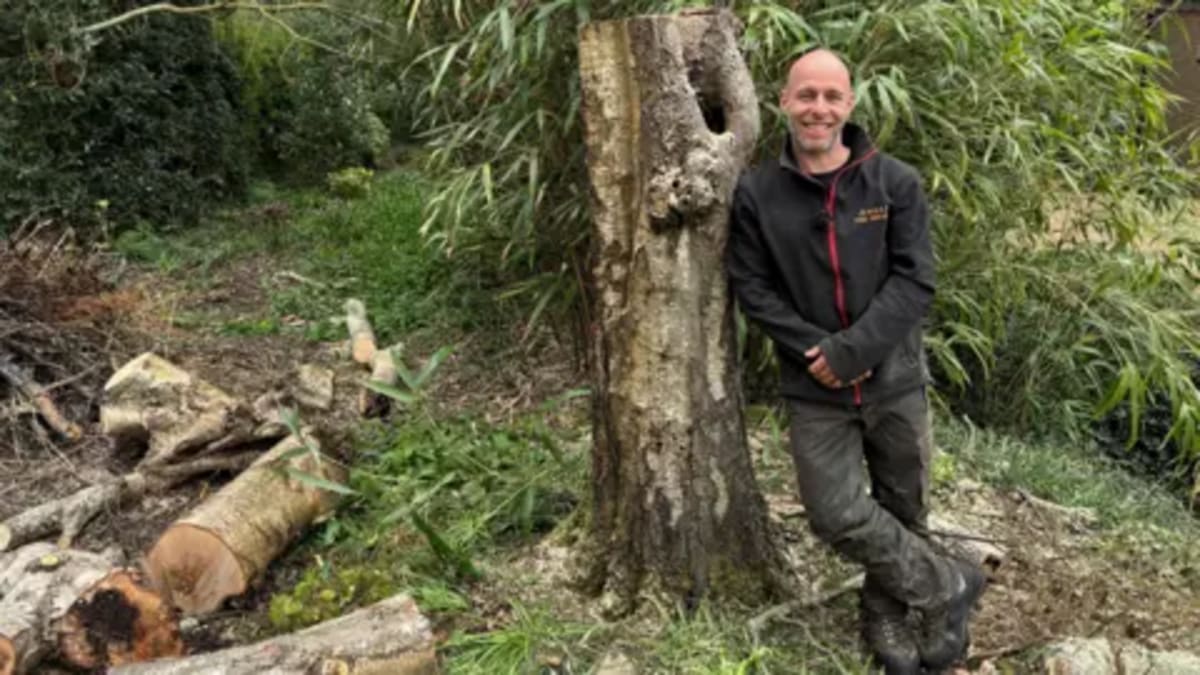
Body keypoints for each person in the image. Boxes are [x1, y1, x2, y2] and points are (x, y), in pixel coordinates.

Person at [725, 48, 986, 674]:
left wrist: (854, 351)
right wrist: (819, 353)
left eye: (831, 97)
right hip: (813, 385)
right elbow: (751, 284)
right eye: (807, 95)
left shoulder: (893, 183)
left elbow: (915, 280)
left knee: (903, 505)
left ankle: (886, 612)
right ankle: (948, 586)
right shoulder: (758, 193)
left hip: (893, 379)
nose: (819, 108)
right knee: (836, 511)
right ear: (783, 101)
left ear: (850, 103)